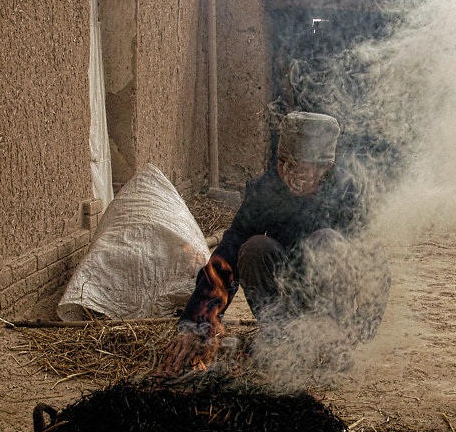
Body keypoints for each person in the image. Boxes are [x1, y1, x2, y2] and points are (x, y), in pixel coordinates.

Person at [158, 111, 390, 376]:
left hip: (329, 300)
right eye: (283, 163)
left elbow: (373, 263)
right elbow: (228, 254)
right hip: (284, 297)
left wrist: (362, 327)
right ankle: (281, 342)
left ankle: (330, 344)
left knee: (327, 242)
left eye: (302, 166)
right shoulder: (266, 190)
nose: (290, 173)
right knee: (255, 247)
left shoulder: (348, 192)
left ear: (326, 166)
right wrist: (197, 324)